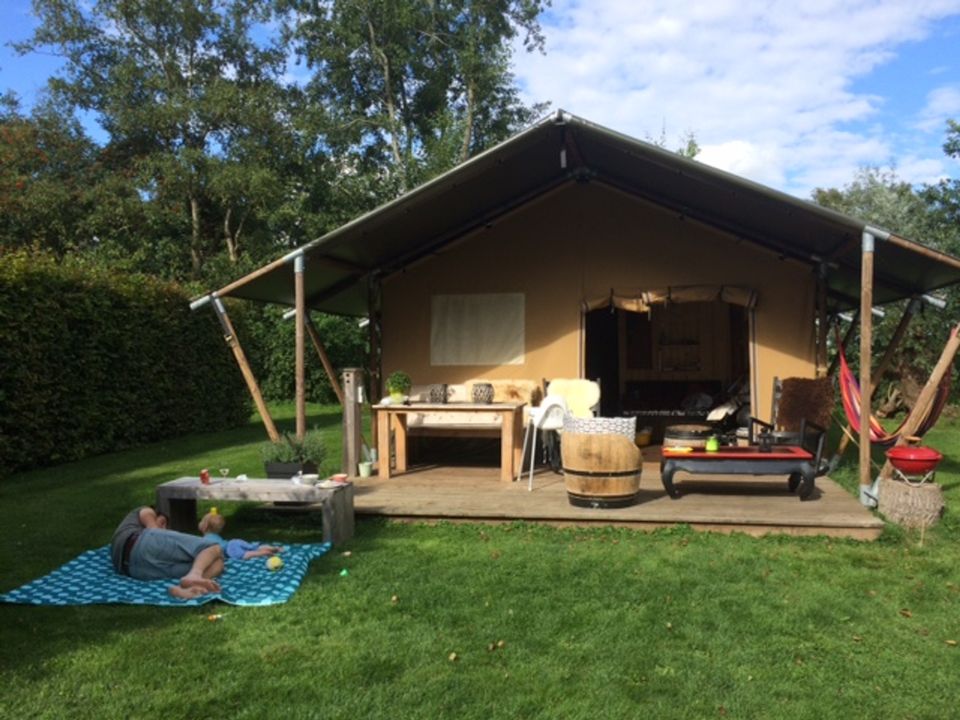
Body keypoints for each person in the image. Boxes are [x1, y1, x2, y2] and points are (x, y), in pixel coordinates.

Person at [111, 506, 224, 600]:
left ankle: (186, 588)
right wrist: (158, 528)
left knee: (217, 563)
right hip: (139, 541)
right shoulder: (145, 510)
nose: (164, 529)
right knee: (213, 546)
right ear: (157, 514)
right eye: (163, 522)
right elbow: (152, 526)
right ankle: (195, 574)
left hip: (131, 569)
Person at [198, 509, 283, 560]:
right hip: (234, 542)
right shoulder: (214, 536)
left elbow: (213, 552)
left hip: (229, 549)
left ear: (204, 526)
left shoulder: (205, 540)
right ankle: (274, 548)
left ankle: (262, 553)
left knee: (246, 554)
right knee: (253, 547)